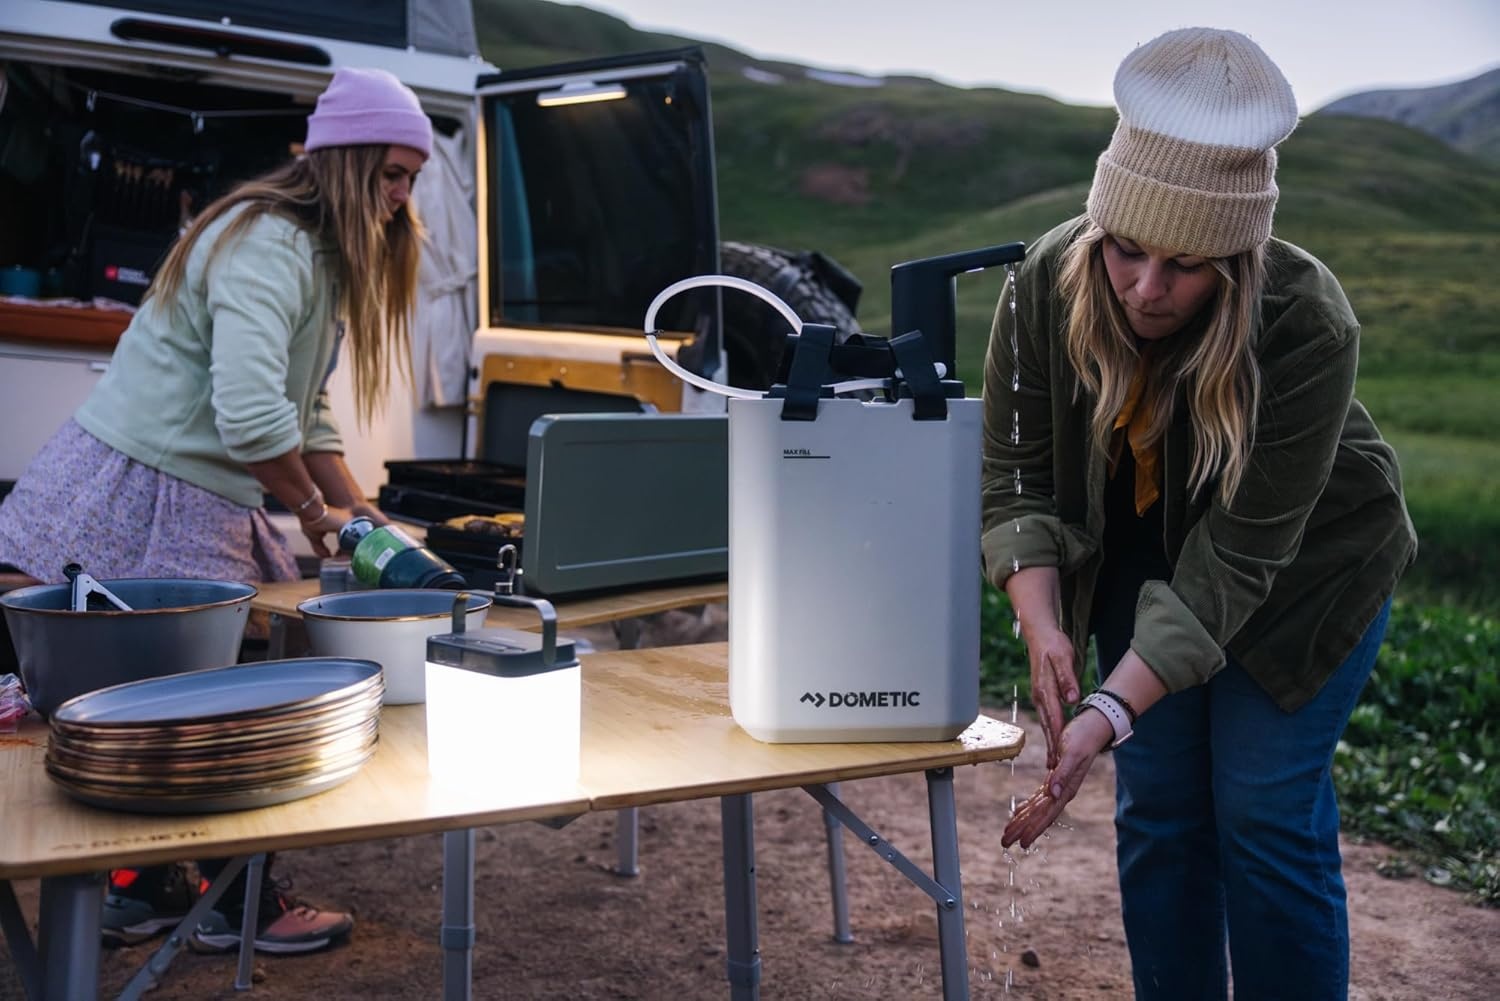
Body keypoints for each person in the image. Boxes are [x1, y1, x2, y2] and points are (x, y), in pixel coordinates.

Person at [981, 28, 1417, 1000]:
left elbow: (1239, 560)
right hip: (1142, 564)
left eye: (1185, 264)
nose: (1146, 289)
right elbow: (1016, 472)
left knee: (1261, 810)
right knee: (1163, 811)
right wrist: (1044, 624)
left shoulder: (1306, 320)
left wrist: (1106, 709)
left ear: (1235, 256)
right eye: (1126, 250)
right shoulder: (1045, 280)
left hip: (1302, 572)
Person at [0, 65, 433, 954]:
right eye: (393, 174)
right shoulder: (267, 243)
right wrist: (314, 511)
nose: (401, 199)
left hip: (185, 490)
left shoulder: (319, 256)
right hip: (143, 488)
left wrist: (360, 512)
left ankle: (145, 889)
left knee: (168, 697)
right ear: (347, 162)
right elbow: (250, 417)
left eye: (411, 180)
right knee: (213, 703)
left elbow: (303, 409)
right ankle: (239, 906)